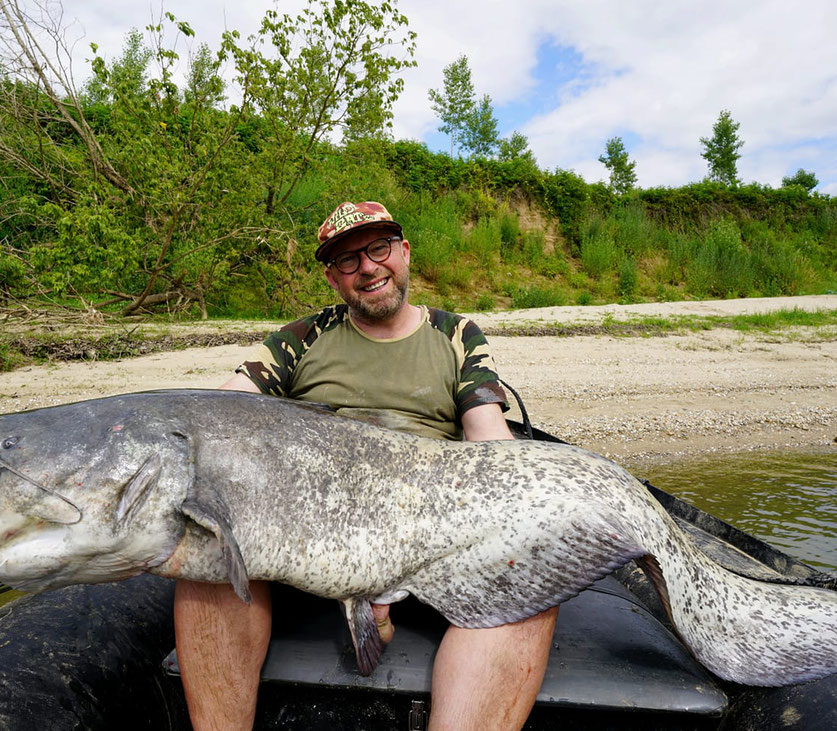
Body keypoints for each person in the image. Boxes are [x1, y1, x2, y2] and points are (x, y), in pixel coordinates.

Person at [173, 201, 558, 730]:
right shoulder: (301, 336)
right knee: (205, 566)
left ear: (403, 251)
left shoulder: (458, 334)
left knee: (533, 584)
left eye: (378, 248)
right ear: (333, 278)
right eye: (348, 260)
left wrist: (518, 525)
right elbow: (221, 411)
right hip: (305, 525)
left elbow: (488, 436)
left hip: (425, 524)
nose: (368, 267)